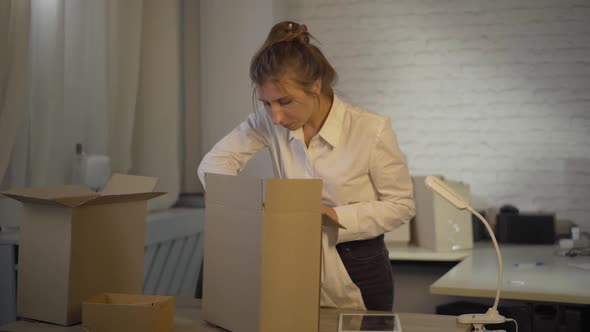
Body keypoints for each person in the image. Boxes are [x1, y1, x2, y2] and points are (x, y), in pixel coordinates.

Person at [197, 21, 415, 311]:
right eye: (266, 103)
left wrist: (332, 215)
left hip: (357, 267)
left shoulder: (371, 129)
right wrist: (253, 207)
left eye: (284, 101)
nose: (274, 117)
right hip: (292, 261)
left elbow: (401, 205)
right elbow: (213, 165)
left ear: (315, 86)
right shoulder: (268, 122)